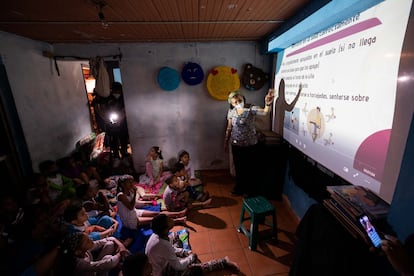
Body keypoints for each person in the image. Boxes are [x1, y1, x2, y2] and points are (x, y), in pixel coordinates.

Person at [145, 214, 240, 276]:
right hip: (163, 272)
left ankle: (195, 261)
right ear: (165, 229)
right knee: (194, 269)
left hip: (164, 261)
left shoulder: (157, 235)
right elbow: (178, 266)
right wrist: (191, 257)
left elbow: (170, 249)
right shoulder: (163, 244)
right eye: (169, 220)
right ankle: (223, 262)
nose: (171, 219)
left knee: (175, 237)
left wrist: (183, 252)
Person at [224, 88, 275, 196]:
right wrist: (226, 141)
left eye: (239, 100)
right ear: (232, 104)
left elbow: (265, 113)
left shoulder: (250, 108)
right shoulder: (231, 111)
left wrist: (267, 104)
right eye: (235, 102)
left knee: (250, 168)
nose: (238, 103)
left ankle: (250, 190)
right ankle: (239, 188)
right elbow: (229, 128)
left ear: (243, 98)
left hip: (250, 145)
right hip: (235, 144)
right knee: (238, 167)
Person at [116, 175, 187, 230]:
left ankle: (178, 213)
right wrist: (135, 193)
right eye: (129, 182)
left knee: (157, 213)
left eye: (132, 182)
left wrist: (148, 202)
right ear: (123, 185)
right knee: (156, 220)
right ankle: (178, 220)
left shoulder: (129, 191)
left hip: (134, 212)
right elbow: (131, 207)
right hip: (129, 220)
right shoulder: (121, 196)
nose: (132, 184)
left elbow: (135, 204)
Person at [56, 232, 129, 276]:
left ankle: (119, 257)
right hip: (94, 270)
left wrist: (121, 246)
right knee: (108, 258)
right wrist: (120, 254)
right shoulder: (79, 264)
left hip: (93, 270)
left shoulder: (83, 249)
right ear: (78, 251)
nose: (91, 240)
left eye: (89, 238)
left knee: (109, 244)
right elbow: (106, 264)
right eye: (87, 241)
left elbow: (107, 239)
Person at [99, 82, 129, 167]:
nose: (116, 92)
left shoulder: (124, 98)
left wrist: (121, 119)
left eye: (118, 90)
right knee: (113, 141)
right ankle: (116, 158)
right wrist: (106, 119)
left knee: (123, 141)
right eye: (115, 90)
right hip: (111, 124)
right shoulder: (108, 99)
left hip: (122, 124)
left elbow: (126, 109)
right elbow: (103, 109)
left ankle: (125, 157)